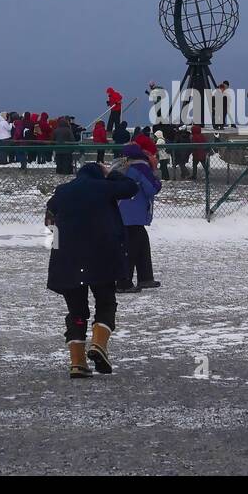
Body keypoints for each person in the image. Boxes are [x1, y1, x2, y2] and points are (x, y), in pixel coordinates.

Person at [45, 161, 139, 378]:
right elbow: (132, 187)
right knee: (106, 302)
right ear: (99, 174)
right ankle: (98, 345)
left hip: (67, 259)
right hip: (101, 256)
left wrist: (61, 240)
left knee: (76, 312)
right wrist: (113, 175)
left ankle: (77, 363)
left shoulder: (63, 190)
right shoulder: (103, 187)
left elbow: (49, 218)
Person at [115, 143, 162, 292]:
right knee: (131, 247)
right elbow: (152, 189)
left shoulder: (120, 166)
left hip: (120, 211)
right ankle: (124, 283)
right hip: (134, 215)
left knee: (141, 242)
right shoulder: (141, 167)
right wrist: (154, 171)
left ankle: (145, 277)